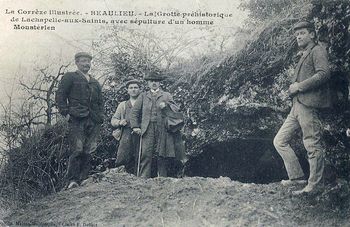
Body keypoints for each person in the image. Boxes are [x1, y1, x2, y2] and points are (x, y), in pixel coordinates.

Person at [273, 21, 332, 195]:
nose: (298, 36)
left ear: (312, 34)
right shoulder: (305, 54)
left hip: (309, 105)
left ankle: (314, 186)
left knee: (312, 144)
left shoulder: (318, 50)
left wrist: (299, 86)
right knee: (279, 141)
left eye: (302, 33)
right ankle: (297, 177)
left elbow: (324, 74)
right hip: (297, 106)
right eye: (297, 34)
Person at [55, 52, 104, 189]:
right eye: (83, 61)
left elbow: (100, 102)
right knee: (77, 149)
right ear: (76, 62)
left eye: (88, 61)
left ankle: (84, 179)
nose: (86, 64)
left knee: (89, 150)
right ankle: (73, 180)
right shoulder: (70, 77)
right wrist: (65, 113)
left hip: (93, 120)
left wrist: (100, 117)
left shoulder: (95, 82)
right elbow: (60, 95)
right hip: (76, 118)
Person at [129, 71, 185, 178]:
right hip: (147, 128)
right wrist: (135, 126)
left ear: (160, 83)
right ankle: (143, 178)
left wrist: (167, 105)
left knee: (162, 153)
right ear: (148, 83)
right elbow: (134, 112)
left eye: (156, 81)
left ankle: (162, 178)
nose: (154, 83)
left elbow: (176, 108)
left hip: (163, 128)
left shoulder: (166, 95)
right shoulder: (143, 96)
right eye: (151, 81)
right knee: (146, 153)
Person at [111, 79, 141, 174]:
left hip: (140, 134)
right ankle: (119, 178)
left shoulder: (144, 104)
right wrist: (120, 122)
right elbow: (113, 120)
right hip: (126, 133)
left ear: (139, 89)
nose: (133, 90)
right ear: (127, 90)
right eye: (131, 88)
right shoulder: (123, 105)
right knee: (122, 156)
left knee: (139, 158)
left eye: (136, 87)